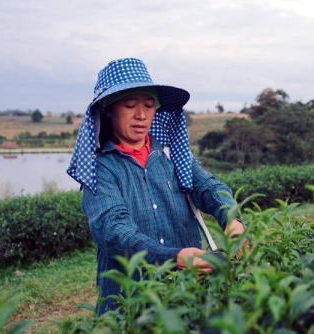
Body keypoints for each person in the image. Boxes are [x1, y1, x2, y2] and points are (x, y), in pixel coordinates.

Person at [67, 58, 246, 316]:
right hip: (130, 302)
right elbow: (113, 230)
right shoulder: (100, 169)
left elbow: (209, 187)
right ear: (108, 109)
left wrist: (232, 219)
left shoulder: (172, 157)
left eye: (149, 106)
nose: (141, 115)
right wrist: (173, 257)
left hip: (186, 294)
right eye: (130, 105)